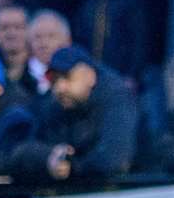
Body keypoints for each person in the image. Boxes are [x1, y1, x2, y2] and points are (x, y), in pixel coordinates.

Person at [11, 46, 138, 184]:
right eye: (54, 80)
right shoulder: (54, 104)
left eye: (67, 78)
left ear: (90, 76)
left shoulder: (117, 99)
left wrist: (72, 166)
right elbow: (21, 152)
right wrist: (49, 156)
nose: (60, 88)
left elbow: (113, 160)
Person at [73, 0, 147, 81]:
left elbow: (140, 40)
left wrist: (133, 75)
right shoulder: (88, 4)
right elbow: (80, 40)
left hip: (121, 76)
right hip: (92, 76)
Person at [0, 5, 40, 103]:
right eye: (4, 28)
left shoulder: (42, 71)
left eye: (18, 27)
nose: (11, 33)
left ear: (30, 32)